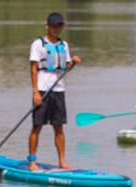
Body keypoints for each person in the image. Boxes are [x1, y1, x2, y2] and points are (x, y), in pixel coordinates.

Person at [28, 12, 81, 171]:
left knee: (58, 127)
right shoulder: (38, 44)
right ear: (47, 26)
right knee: (37, 126)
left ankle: (62, 161)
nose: (56, 29)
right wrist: (35, 91)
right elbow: (33, 68)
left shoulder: (63, 45)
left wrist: (74, 63)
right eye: (53, 26)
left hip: (58, 90)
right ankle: (32, 161)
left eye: (59, 26)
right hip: (43, 90)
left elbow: (65, 68)